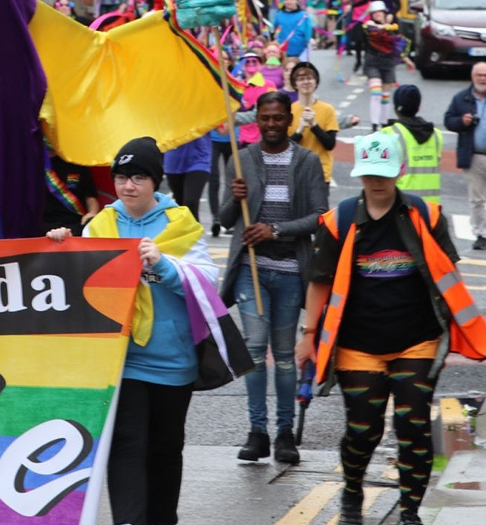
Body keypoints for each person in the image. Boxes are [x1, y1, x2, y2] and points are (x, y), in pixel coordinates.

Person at [296, 133, 486, 525]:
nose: (376, 182)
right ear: (359, 173)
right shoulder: (338, 221)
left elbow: (446, 276)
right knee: (362, 430)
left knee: (413, 427)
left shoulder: (427, 217)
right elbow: (319, 282)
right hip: (357, 346)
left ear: (400, 170)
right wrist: (308, 336)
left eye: (383, 173)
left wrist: (452, 334)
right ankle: (351, 491)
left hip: (417, 342)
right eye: (368, 174)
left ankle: (410, 511)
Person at [47, 136, 218, 525]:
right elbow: (75, 280)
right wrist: (60, 246)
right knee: (125, 445)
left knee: (165, 449)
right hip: (121, 360)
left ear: (156, 180)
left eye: (139, 177)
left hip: (173, 360)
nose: (129, 186)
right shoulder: (102, 224)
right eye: (122, 177)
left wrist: (164, 265)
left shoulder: (181, 223)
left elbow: (208, 282)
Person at [219, 91, 328, 464]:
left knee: (283, 356)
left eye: (278, 118)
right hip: (251, 270)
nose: (270, 125)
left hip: (291, 272)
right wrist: (235, 199)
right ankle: (257, 432)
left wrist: (276, 230)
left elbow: (319, 216)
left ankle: (284, 434)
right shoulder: (241, 158)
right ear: (257, 119)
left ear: (289, 119)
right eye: (264, 118)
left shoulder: (308, 161)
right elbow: (222, 219)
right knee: (253, 350)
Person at [444, 61, 486, 250]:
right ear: (472, 76)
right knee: (476, 198)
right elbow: (448, 120)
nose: (483, 79)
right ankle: (481, 234)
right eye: (480, 75)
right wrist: (462, 121)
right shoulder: (461, 98)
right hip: (473, 156)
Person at [381, 85, 442, 204]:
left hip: (401, 206)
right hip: (431, 206)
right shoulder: (436, 135)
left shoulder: (388, 134)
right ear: (419, 106)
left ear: (396, 108)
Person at [362, 0, 415, 131]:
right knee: (376, 94)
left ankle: (384, 123)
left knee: (386, 96)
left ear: (385, 13)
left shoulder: (391, 31)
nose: (378, 15)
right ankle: (374, 125)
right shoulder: (370, 25)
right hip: (373, 62)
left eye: (381, 12)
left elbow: (397, 48)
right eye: (375, 13)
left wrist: (408, 61)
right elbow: (370, 27)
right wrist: (388, 26)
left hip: (388, 63)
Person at [289, 62, 340, 184]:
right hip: (296, 172)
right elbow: (286, 148)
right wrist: (299, 130)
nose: (306, 82)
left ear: (316, 82)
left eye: (310, 78)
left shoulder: (328, 109)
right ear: (295, 84)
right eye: (301, 79)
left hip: (320, 172)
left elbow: (330, 144)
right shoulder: (289, 110)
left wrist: (314, 125)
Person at [41, 147, 100, 236]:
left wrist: (92, 213)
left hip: (76, 225)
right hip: (43, 226)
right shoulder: (32, 165)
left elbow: (90, 197)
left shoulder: (76, 163)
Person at [164, 134, 211, 223]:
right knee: (180, 205)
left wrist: (229, 120)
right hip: (173, 160)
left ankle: (195, 235)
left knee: (190, 202)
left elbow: (223, 130)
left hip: (199, 159)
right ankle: (186, 234)